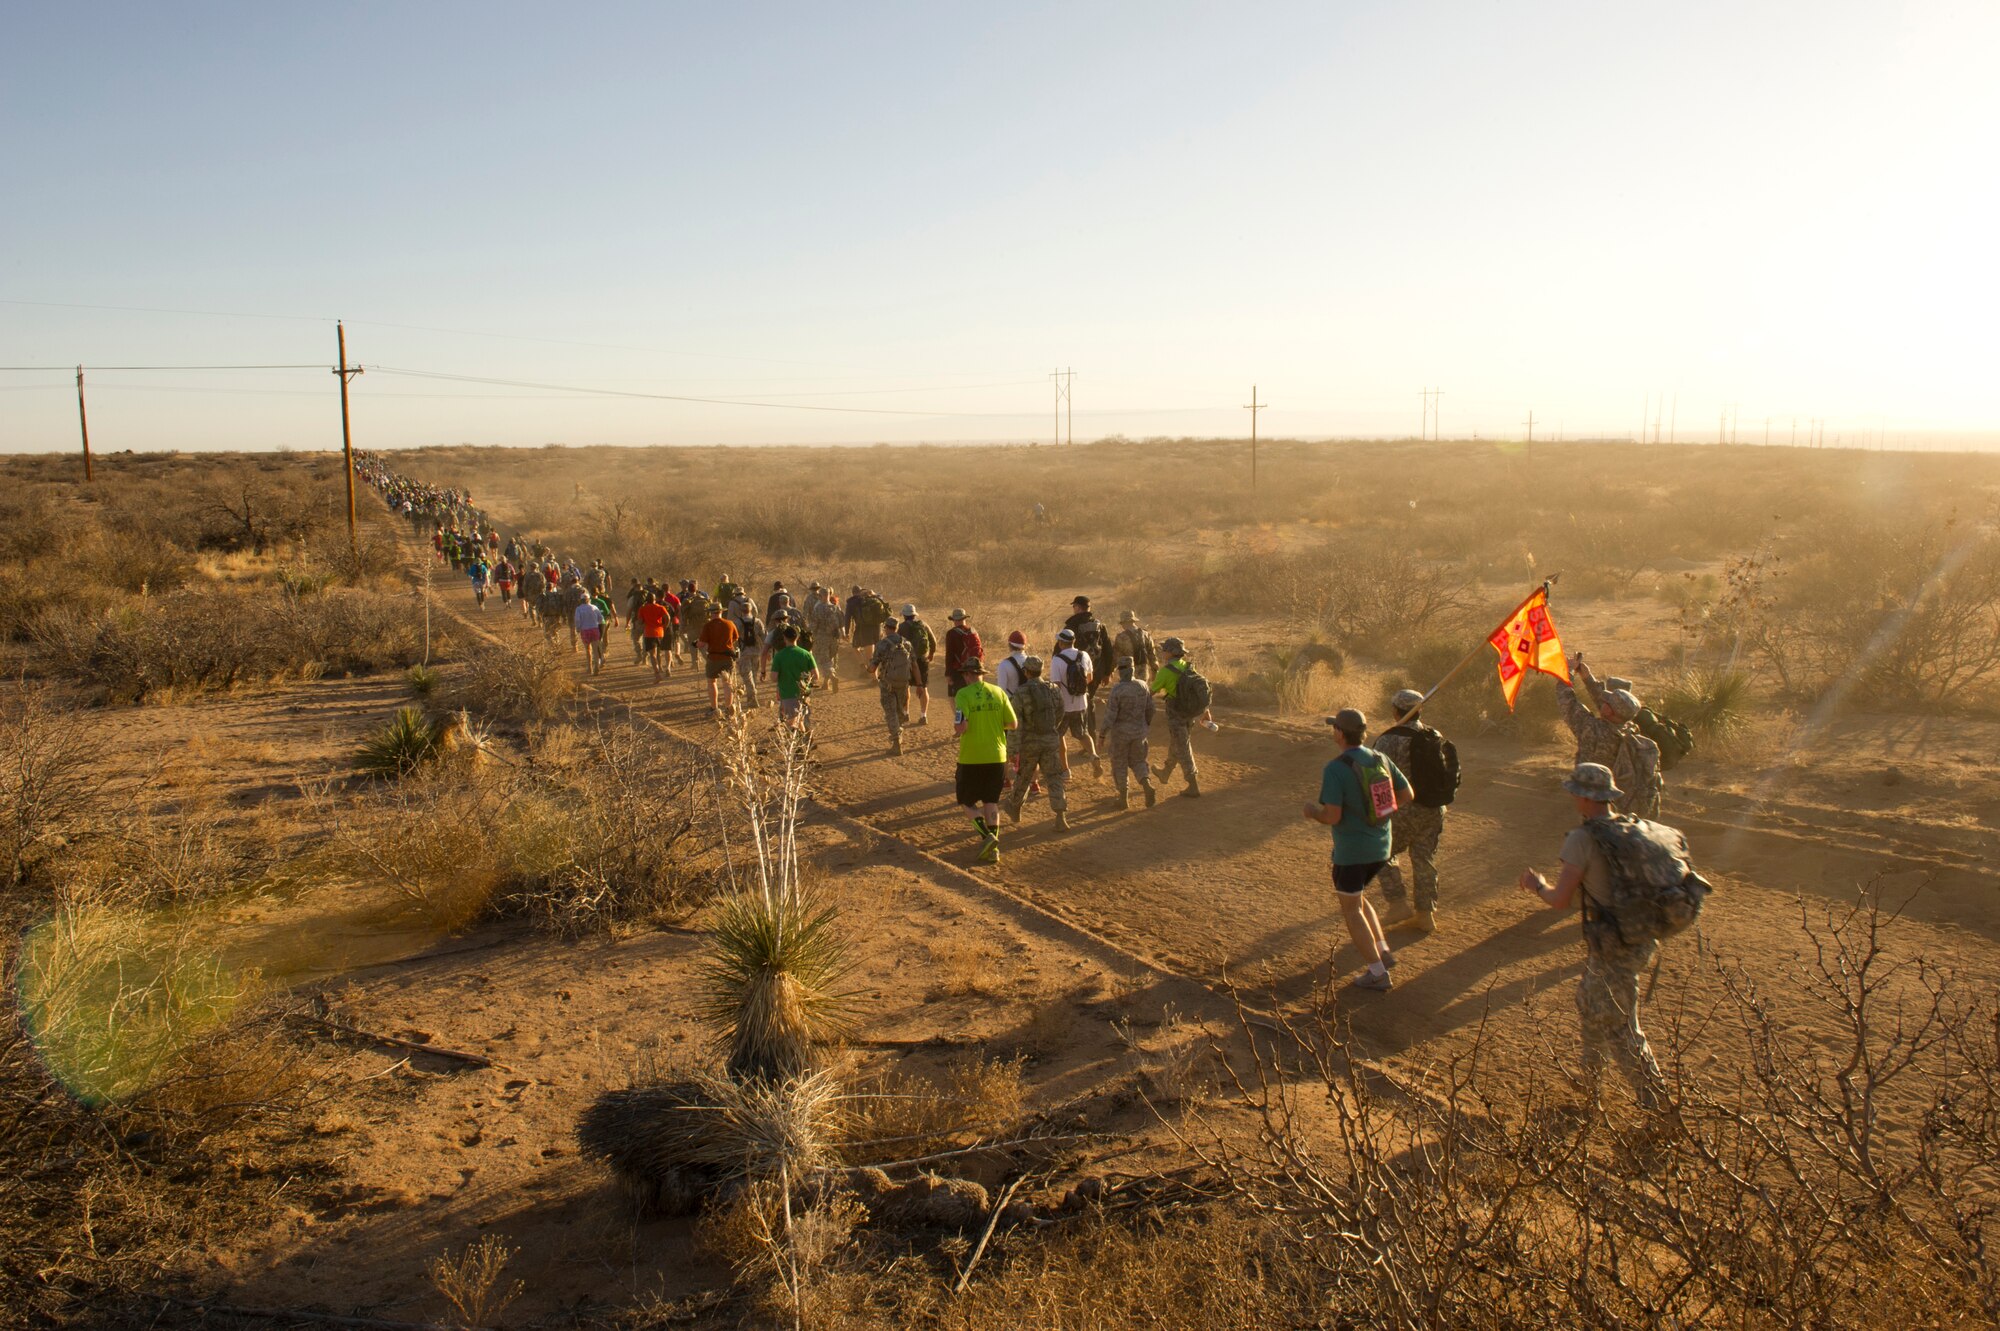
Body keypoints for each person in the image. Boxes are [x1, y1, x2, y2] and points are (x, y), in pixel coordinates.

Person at [1518, 762, 1686, 1110]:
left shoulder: (1583, 839)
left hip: (1614, 941)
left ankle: (1659, 1108)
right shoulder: (1630, 829)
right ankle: (1591, 1078)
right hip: (1639, 933)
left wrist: (1538, 886)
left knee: (1621, 1027)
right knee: (1588, 1001)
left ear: (1581, 796)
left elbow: (1560, 900)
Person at [1303, 708, 1414, 991]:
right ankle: (1383, 951)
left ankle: (1377, 972)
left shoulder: (1336, 768)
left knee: (1351, 910)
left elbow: (1333, 817)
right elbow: (1407, 794)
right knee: (1360, 900)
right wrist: (1382, 813)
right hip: (1381, 846)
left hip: (1352, 852)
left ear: (1340, 733)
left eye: (1334, 728)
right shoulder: (1381, 758)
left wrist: (1313, 812)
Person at [1371, 689, 1460, 934]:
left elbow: (1378, 779)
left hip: (1404, 810)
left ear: (1396, 710)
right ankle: (1426, 915)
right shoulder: (1434, 735)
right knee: (1424, 860)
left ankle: (1398, 904)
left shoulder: (1389, 740)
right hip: (1433, 810)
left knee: (1382, 853)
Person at [1558, 656, 1663, 818]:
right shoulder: (1630, 729)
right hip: (1629, 807)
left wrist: (1567, 672)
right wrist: (1587, 678)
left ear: (1608, 711)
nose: (1602, 703)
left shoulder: (1593, 731)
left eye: (1607, 703)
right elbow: (1605, 704)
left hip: (1599, 808)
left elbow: (1567, 701)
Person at [952, 658, 1018, 865]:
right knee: (991, 801)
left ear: (967, 675)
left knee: (966, 801)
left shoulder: (963, 694)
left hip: (972, 756)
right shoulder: (999, 692)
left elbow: (960, 727)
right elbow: (1013, 723)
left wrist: (963, 727)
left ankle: (987, 837)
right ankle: (993, 849)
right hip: (997, 755)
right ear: (982, 673)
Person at [1004, 656, 1070, 830]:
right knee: (1054, 778)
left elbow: (1015, 724)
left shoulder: (1021, 692)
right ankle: (1060, 815)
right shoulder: (1053, 688)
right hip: (1050, 740)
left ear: (1026, 672)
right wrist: (1051, 728)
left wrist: (1012, 749)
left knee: (1023, 777)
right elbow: (1061, 711)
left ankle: (1015, 808)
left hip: (1030, 742)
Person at [1151, 637, 1214, 798]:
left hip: (1176, 713)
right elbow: (1199, 690)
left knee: (1183, 747)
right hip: (1189, 713)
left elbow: (1150, 693)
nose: (1162, 652)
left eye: (1164, 649)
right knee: (1177, 742)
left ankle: (1192, 784)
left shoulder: (1165, 671)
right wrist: (1205, 710)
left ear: (1171, 652)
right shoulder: (1188, 667)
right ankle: (1165, 772)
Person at [1097, 657, 1158, 810]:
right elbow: (1151, 709)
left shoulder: (1118, 689)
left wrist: (1102, 734)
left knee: (1119, 763)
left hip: (1121, 734)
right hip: (1139, 732)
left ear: (1120, 670)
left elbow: (1110, 716)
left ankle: (1123, 798)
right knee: (1138, 761)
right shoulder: (1143, 685)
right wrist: (1145, 725)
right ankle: (1146, 784)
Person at [1049, 627, 1100, 778]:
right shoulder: (1083, 655)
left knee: (1059, 735)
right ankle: (1093, 755)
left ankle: (1065, 770)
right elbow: (1089, 679)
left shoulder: (1057, 660)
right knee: (1082, 733)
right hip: (1081, 702)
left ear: (1060, 643)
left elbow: (1056, 685)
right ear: (1073, 641)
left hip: (1064, 705)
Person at [1063, 596, 1115, 732]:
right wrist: (1108, 673)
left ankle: (1083, 735)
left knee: (1079, 701)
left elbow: (1061, 650)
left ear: (1078, 608)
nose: (1073, 609)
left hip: (1076, 672)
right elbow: (1109, 650)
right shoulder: (1099, 625)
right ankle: (1090, 736)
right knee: (1089, 699)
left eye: (1074, 606)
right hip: (1096, 672)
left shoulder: (1071, 625)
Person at [868, 625, 916, 754]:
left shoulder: (882, 644)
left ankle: (896, 742)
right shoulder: (906, 643)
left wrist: (869, 668)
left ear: (886, 628)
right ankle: (899, 735)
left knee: (891, 712)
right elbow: (914, 664)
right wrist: (920, 683)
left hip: (887, 684)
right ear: (897, 628)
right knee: (900, 711)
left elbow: (873, 667)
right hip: (903, 683)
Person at [768, 625, 819, 732]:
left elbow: (773, 677)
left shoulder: (779, 656)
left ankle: (800, 743)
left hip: (788, 693)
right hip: (804, 693)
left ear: (784, 638)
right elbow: (816, 676)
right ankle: (805, 742)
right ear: (797, 637)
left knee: (791, 723)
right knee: (799, 720)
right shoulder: (806, 654)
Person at [898, 604, 938, 726]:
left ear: (904, 615)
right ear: (915, 614)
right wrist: (931, 654)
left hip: (908, 660)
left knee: (906, 686)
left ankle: (905, 713)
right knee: (923, 687)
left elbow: (898, 643)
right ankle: (923, 715)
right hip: (923, 658)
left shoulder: (902, 627)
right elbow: (933, 641)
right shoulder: (923, 624)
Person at [699, 603, 741, 716]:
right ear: (721, 611)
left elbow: (701, 644)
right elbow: (735, 638)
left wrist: (696, 644)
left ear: (710, 613)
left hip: (713, 657)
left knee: (712, 681)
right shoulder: (730, 624)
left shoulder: (708, 626)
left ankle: (714, 708)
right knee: (727, 683)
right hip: (727, 657)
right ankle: (729, 709)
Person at [806, 589, 846, 693]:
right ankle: (825, 683)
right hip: (834, 638)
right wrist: (844, 635)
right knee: (830, 659)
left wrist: (807, 632)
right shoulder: (835, 607)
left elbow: (813, 625)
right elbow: (842, 623)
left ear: (821, 596)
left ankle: (832, 677)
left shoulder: (818, 608)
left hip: (821, 637)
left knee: (823, 660)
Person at [733, 604, 768, 710]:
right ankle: (751, 698)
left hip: (743, 653)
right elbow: (764, 636)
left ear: (741, 611)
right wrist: (767, 651)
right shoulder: (757, 621)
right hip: (756, 652)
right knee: (753, 675)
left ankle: (752, 698)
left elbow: (733, 639)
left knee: (747, 677)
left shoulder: (737, 623)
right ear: (751, 610)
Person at [943, 608, 983, 697]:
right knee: (973, 696)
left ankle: (959, 712)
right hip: (974, 670)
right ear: (964, 618)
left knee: (954, 697)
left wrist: (948, 673)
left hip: (958, 670)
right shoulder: (973, 631)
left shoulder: (951, 633)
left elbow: (949, 654)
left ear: (954, 620)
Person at [634, 590, 672, 682]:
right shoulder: (661, 607)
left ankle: (657, 674)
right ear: (655, 600)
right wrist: (665, 626)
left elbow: (640, 621)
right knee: (658, 652)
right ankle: (661, 669)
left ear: (646, 600)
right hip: (660, 633)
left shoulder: (642, 608)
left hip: (649, 633)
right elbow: (668, 617)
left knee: (653, 655)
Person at [1111, 609, 1158, 680]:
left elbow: (1116, 656)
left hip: (1127, 671)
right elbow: (1152, 654)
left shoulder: (1121, 637)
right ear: (1133, 621)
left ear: (1124, 622)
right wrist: (1154, 670)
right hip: (1143, 671)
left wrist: (1111, 670)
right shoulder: (1146, 634)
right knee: (1141, 689)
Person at [573, 592, 606, 676]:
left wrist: (578, 628)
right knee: (595, 649)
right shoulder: (594, 607)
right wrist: (596, 623)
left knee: (588, 650)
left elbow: (577, 620)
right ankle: (596, 667)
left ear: (581, 600)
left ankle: (589, 668)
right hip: (594, 629)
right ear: (589, 600)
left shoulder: (579, 609)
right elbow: (601, 618)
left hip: (585, 630)